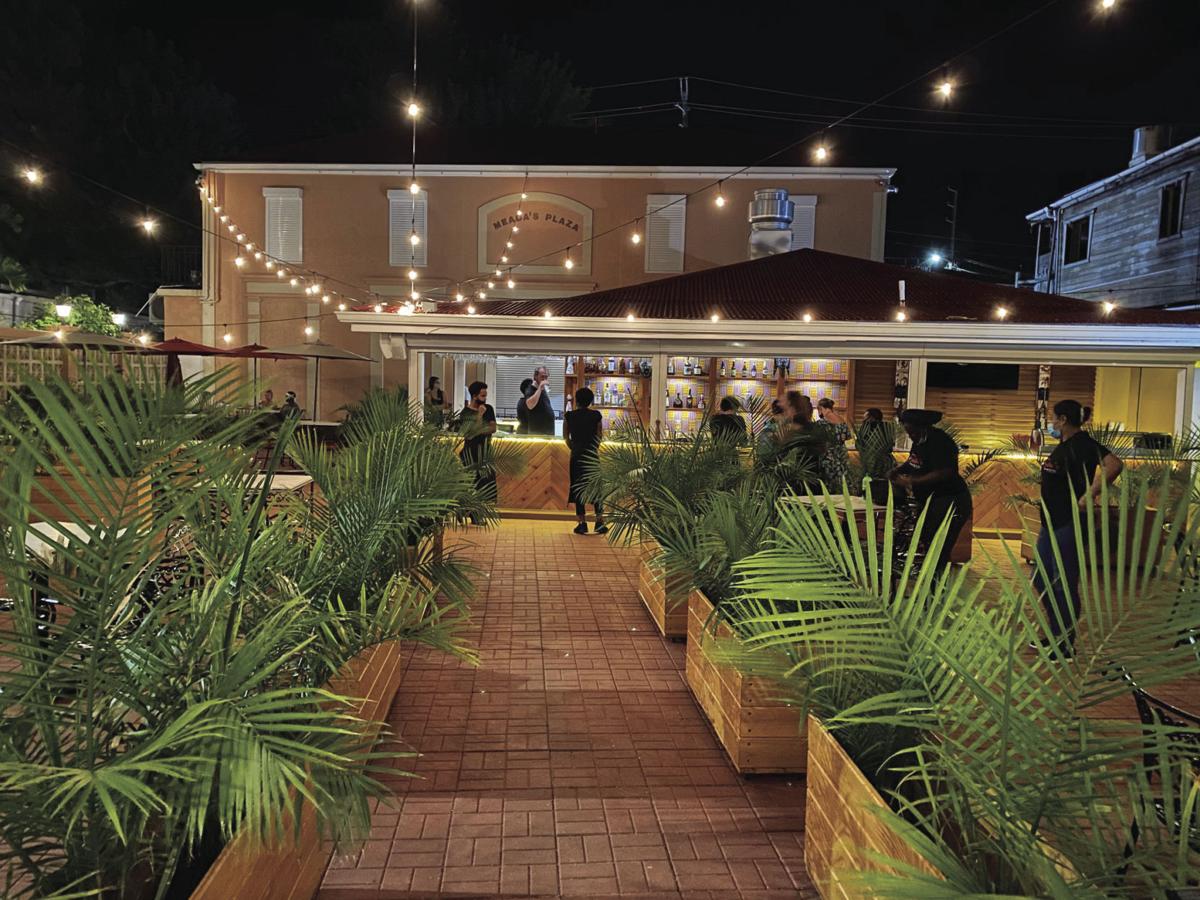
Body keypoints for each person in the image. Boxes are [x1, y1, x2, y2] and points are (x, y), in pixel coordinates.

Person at [1033, 399, 1123, 659]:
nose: (1052, 422)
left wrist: (1089, 494)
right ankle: (1055, 632)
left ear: (1062, 420)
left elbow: (1115, 464)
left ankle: (1065, 643)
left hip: (1068, 523)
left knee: (1063, 583)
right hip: (1050, 523)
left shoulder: (1083, 443)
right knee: (1041, 578)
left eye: (1054, 418)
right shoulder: (1066, 446)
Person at [888, 408, 972, 568]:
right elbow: (914, 461)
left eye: (912, 432)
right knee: (929, 543)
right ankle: (930, 586)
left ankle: (936, 588)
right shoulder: (919, 441)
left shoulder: (941, 442)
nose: (910, 436)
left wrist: (913, 481)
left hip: (950, 502)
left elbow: (944, 472)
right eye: (908, 432)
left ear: (923, 427)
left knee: (938, 550)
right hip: (932, 502)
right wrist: (899, 470)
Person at [564, 387, 608, 535]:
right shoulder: (596, 415)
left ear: (576, 400)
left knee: (578, 488)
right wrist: (592, 449)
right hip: (592, 456)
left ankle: (582, 523)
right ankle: (599, 522)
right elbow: (599, 435)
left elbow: (566, 437)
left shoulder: (569, 416)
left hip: (576, 456)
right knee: (596, 488)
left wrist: (575, 448)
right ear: (591, 401)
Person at [460, 381, 497, 523]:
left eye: (486, 395)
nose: (485, 398)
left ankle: (476, 513)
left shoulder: (489, 408)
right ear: (474, 396)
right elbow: (469, 434)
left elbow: (493, 428)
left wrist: (479, 430)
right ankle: (469, 513)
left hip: (485, 452)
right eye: (482, 395)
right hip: (470, 453)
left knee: (485, 484)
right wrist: (480, 417)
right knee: (471, 484)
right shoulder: (466, 413)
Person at [814, 398, 851, 490]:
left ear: (821, 408)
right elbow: (847, 437)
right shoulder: (842, 421)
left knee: (828, 486)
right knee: (842, 485)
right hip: (842, 455)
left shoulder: (821, 423)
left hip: (828, 456)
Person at [523, 365, 556, 435]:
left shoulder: (542, 390)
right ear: (535, 377)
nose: (544, 379)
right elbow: (530, 405)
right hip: (537, 433)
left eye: (546, 377)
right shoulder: (530, 389)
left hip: (547, 432)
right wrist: (540, 387)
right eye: (542, 377)